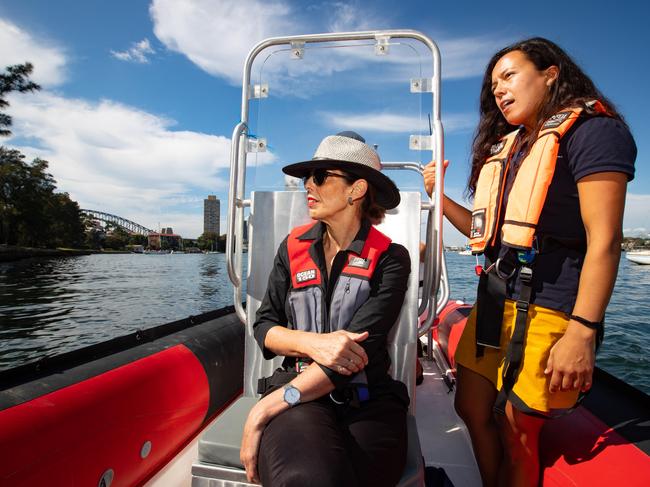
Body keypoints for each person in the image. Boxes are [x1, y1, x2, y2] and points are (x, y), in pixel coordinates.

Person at [423, 38, 636, 486]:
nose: (498, 90)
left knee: (518, 430)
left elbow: (606, 240)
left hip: (549, 308)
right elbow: (489, 236)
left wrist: (582, 331)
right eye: (493, 84)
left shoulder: (593, 131)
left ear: (550, 73)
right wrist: (437, 198)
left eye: (509, 76)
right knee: (470, 407)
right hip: (494, 303)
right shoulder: (512, 148)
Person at [240, 131, 411, 486]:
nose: (308, 185)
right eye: (307, 178)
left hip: (370, 401)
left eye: (320, 177)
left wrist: (266, 408)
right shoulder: (292, 248)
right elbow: (264, 325)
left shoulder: (392, 259)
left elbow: (359, 349)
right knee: (307, 478)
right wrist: (312, 344)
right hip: (299, 397)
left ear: (357, 190)